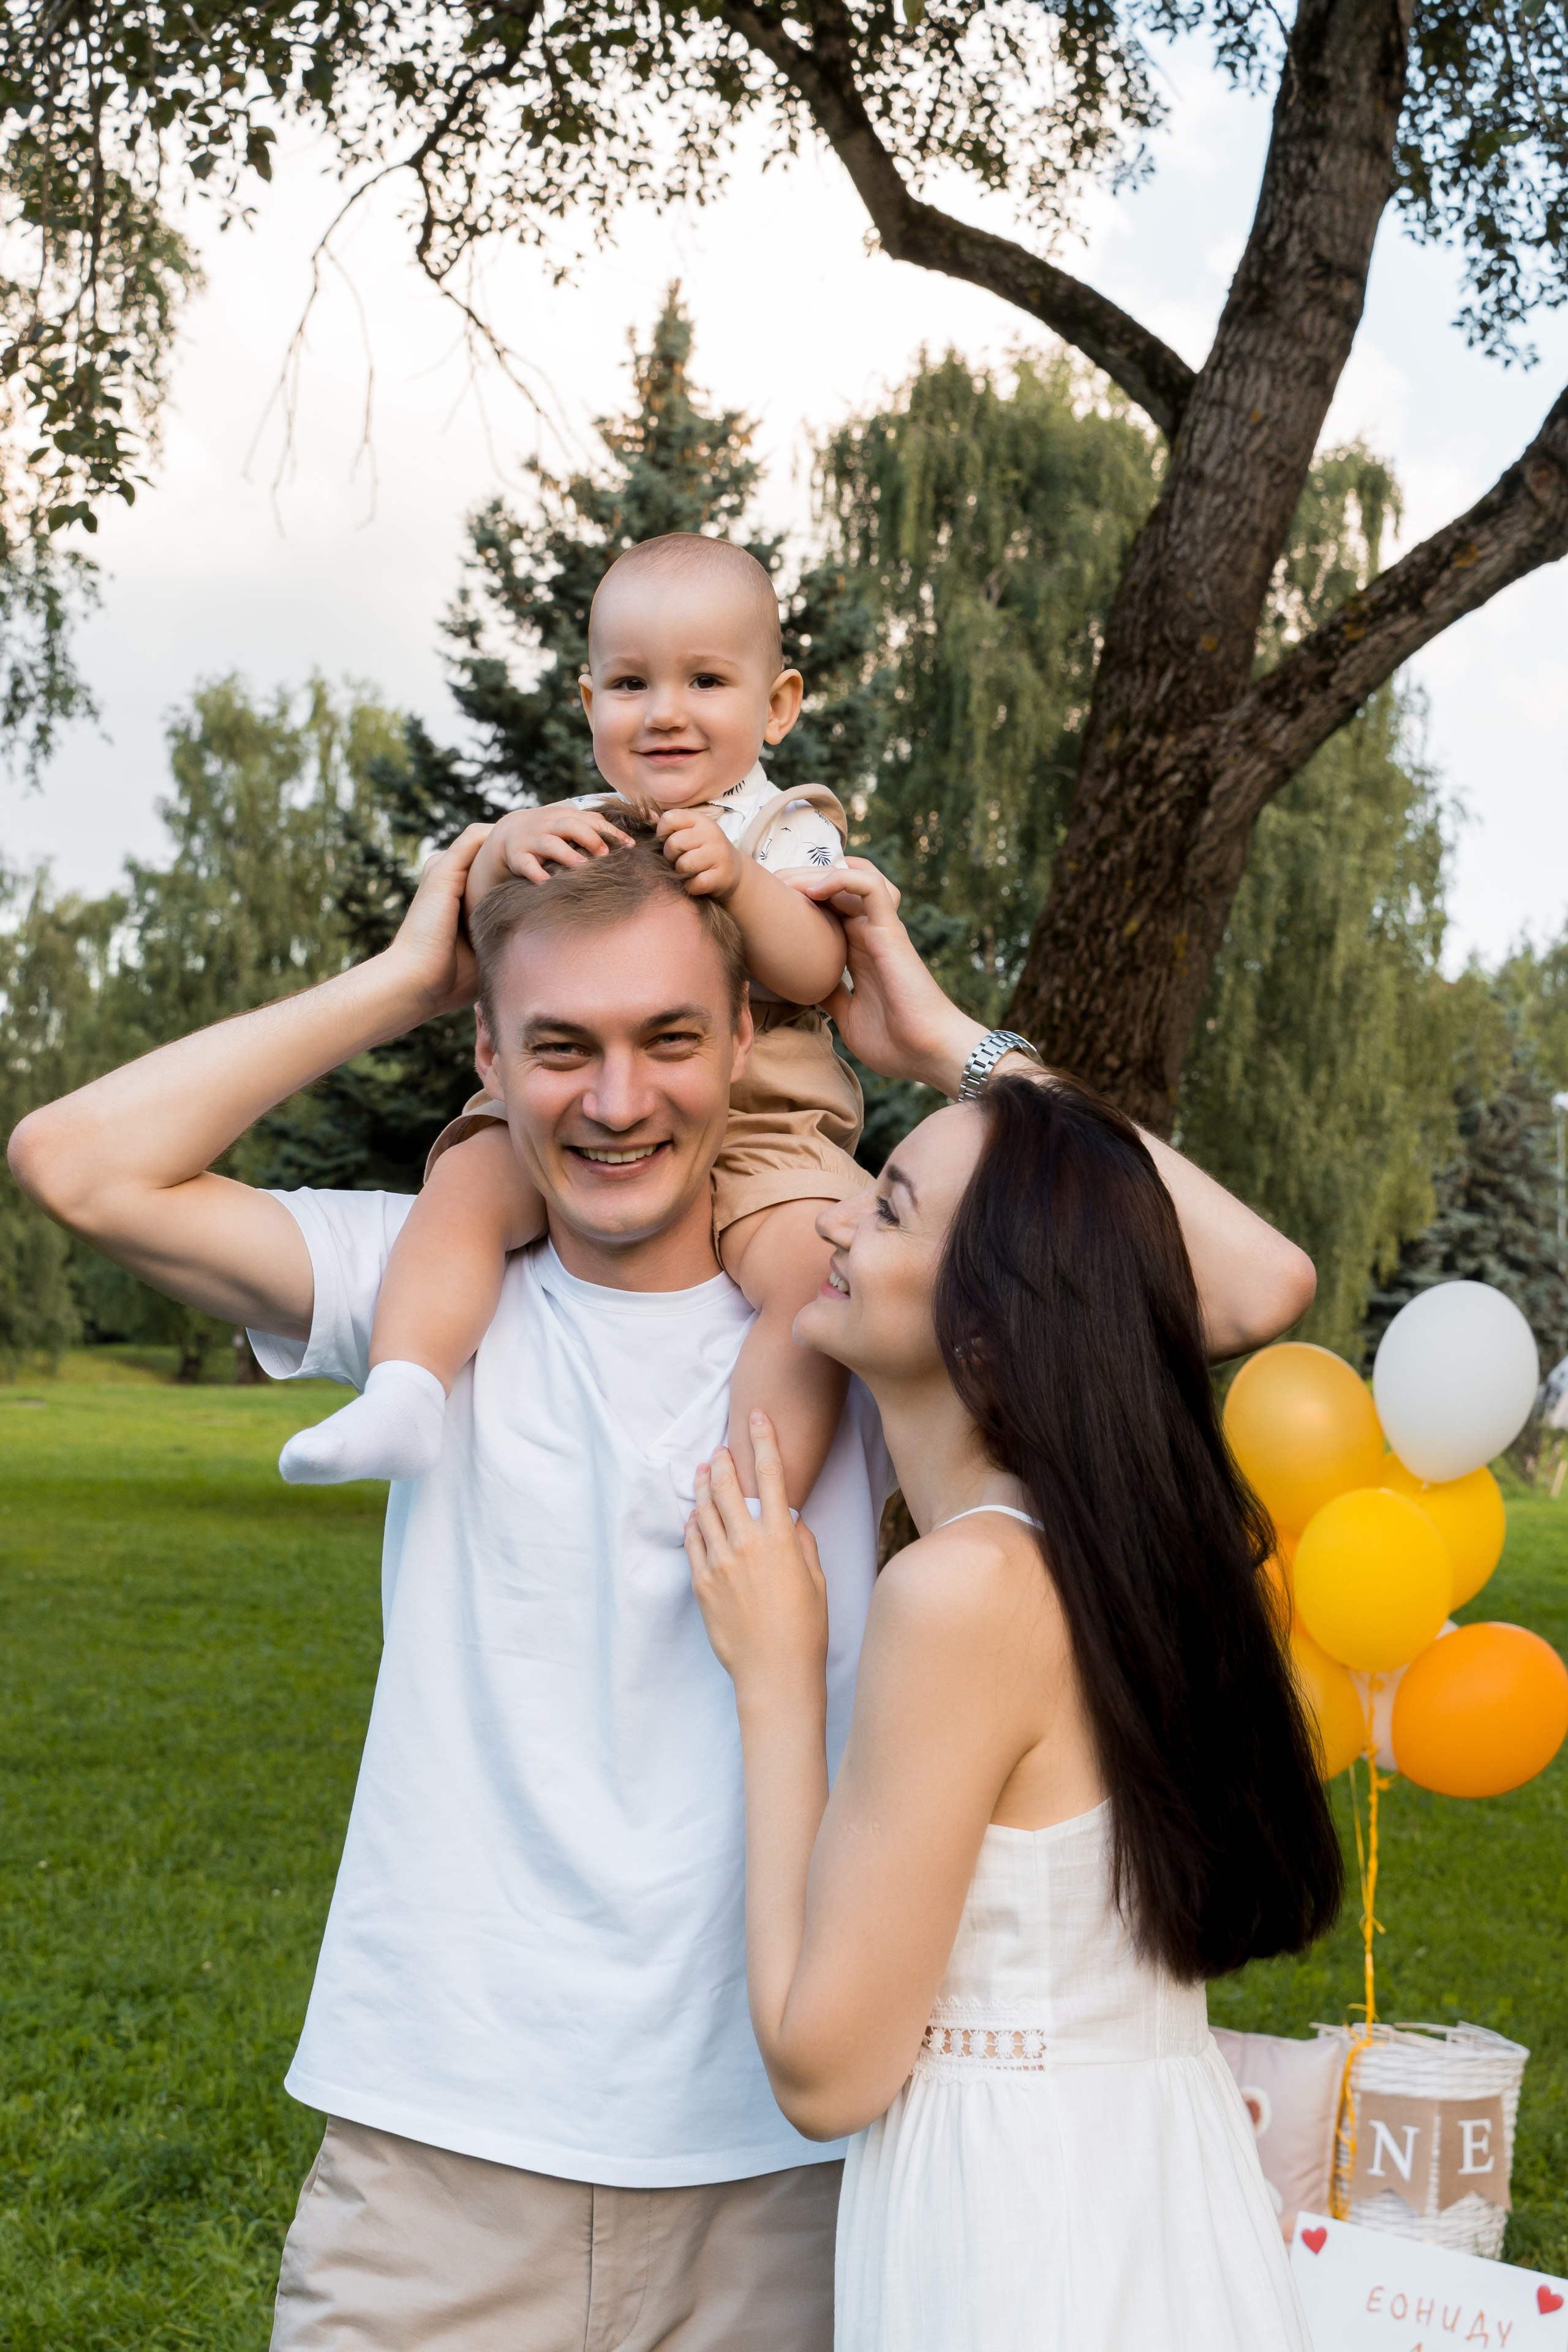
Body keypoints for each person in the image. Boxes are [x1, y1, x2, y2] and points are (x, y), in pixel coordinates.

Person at [8, 821, 1315, 2349]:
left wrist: (941, 1035)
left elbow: (1241, 1282)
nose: (617, 1101)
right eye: (558, 1047)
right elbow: (72, 1163)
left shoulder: (858, 1334)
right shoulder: (430, 1285)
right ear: (487, 1065)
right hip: (438, 2158)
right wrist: (403, 979)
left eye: (668, 1039)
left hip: (786, 2182)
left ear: (744, 1037)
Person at [682, 865, 1344, 2352]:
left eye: (890, 1202)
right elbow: (1243, 1272)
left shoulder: (964, 1589)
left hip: (1022, 2234)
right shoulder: (1108, 1547)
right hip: (1156, 2195)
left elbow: (826, 2070)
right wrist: (951, 1050)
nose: (839, 1219)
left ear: (982, 1318)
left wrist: (778, 1674)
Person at [279, 532, 864, 1509]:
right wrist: (504, 844)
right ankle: (409, 1387)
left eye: (707, 681)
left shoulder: (787, 828)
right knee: (466, 1187)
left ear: (777, 706)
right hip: (578, 1110)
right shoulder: (577, 820)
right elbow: (492, 937)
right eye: (631, 685)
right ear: (591, 705)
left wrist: (745, 888)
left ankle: (754, 1496)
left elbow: (819, 966)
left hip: (768, 1125)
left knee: (812, 1279)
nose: (665, 713)